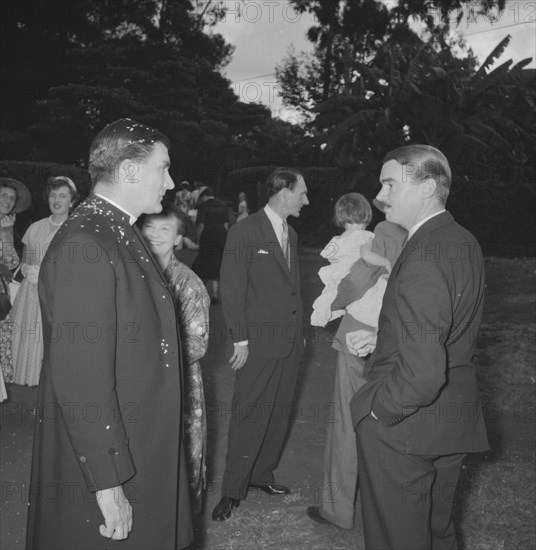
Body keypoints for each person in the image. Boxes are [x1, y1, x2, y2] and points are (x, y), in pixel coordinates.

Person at [26, 118, 193, 550]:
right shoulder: (89, 242)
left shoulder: (117, 230)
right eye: (164, 167)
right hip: (111, 457)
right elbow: (81, 376)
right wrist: (108, 482)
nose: (171, 181)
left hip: (135, 437)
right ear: (130, 171)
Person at [346, 144, 488, 550]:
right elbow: (448, 326)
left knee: (398, 539)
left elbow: (424, 373)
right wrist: (387, 338)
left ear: (427, 187)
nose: (380, 196)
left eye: (390, 183)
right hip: (450, 423)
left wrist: (377, 411)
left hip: (404, 428)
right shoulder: (461, 240)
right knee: (436, 532)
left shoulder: (423, 254)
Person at [212, 168, 309, 522]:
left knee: (279, 411)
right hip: (257, 343)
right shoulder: (245, 230)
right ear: (283, 192)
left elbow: (293, 286)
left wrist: (298, 331)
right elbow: (233, 288)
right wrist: (240, 338)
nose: (306, 200)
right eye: (302, 193)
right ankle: (232, 489)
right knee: (249, 414)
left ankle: (261, 475)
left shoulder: (291, 234)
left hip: (288, 342)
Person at [306, 199, 407, 530]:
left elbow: (355, 283)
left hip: (359, 334)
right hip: (395, 335)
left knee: (347, 420)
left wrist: (331, 305)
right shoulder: (416, 235)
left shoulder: (385, 230)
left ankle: (337, 510)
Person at [140, 201, 210, 514]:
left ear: (178, 238)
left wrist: (150, 353)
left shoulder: (188, 284)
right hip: (137, 387)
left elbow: (197, 343)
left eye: (164, 228)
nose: (154, 234)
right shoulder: (130, 275)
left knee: (183, 461)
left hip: (177, 386)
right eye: (149, 226)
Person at [11, 176, 79, 387]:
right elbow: (24, 261)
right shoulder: (35, 228)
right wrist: (25, 268)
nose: (57, 200)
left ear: (72, 201)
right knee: (29, 342)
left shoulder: (77, 230)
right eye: (52, 195)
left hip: (59, 295)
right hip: (30, 294)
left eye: (62, 195)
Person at [0, 177, 31, 394]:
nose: (8, 201)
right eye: (3, 195)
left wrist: (7, 233)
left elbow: (11, 264)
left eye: (11, 198)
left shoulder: (7, 225)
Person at [192, 186, 230, 304]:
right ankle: (214, 294)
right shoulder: (223, 205)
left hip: (208, 234)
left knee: (203, 261)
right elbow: (226, 224)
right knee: (216, 263)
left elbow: (201, 225)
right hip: (220, 234)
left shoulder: (204, 206)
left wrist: (197, 239)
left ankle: (199, 292)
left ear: (203, 196)